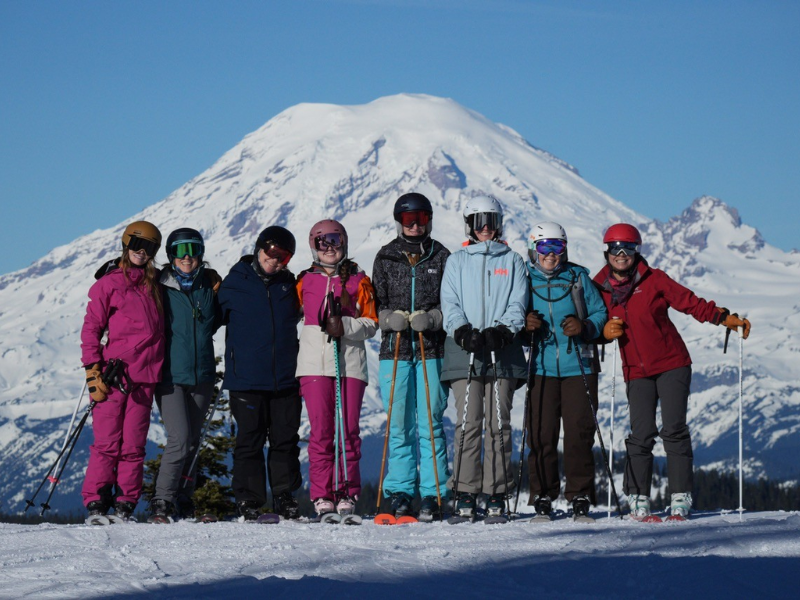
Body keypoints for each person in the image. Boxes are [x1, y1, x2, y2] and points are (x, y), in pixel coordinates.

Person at [593, 223, 751, 520]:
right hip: (635, 371)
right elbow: (592, 325)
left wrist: (723, 318)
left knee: (674, 431)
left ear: (637, 251)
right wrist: (603, 333)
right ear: (607, 251)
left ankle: (680, 497)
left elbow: (689, 303)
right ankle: (637, 498)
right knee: (641, 434)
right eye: (616, 248)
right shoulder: (597, 287)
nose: (622, 254)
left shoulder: (655, 280)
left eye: (629, 248)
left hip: (672, 364)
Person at [440, 195, 528, 520]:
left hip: (501, 349)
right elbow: (449, 301)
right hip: (466, 348)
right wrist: (461, 330)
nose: (486, 228)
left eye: (491, 220)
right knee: (469, 420)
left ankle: (497, 493)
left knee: (498, 424)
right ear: (470, 225)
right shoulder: (458, 260)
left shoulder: (513, 260)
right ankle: (464, 492)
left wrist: (505, 330)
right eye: (479, 221)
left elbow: (518, 301)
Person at [372, 193, 451, 521]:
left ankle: (434, 494)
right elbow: (376, 300)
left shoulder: (442, 255)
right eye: (408, 220)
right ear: (399, 221)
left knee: (430, 422)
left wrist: (434, 318)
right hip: (395, 350)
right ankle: (400, 491)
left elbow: (453, 303)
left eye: (421, 218)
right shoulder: (386, 256)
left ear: (430, 219)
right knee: (399, 423)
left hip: (431, 349)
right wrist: (386, 317)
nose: (416, 225)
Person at [80, 221, 165, 521]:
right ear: (126, 244)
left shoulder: (155, 285)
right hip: (113, 376)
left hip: (145, 377)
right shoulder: (109, 283)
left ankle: (126, 501)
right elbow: (91, 327)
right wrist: (92, 369)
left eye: (150, 248)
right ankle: (97, 500)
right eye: (136, 245)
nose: (142, 252)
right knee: (106, 443)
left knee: (133, 444)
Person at [523, 222, 608, 521]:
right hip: (541, 366)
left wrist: (584, 327)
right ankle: (543, 495)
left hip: (579, 366)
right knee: (541, 434)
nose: (551, 254)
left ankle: (580, 495)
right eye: (544, 247)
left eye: (557, 247)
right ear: (533, 250)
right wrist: (525, 326)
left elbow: (600, 313)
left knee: (578, 434)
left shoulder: (578, 277)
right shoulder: (524, 279)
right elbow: (511, 313)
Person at [218, 226, 303, 521]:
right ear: (258, 248)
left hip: (285, 377)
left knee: (285, 440)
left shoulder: (289, 285)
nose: (276, 260)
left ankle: (284, 496)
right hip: (247, 379)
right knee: (249, 441)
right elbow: (208, 319)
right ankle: (249, 500)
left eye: (284, 256)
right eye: (271, 252)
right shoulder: (232, 283)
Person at [296, 219, 378, 518]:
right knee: (320, 431)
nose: (329, 247)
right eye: (322, 242)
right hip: (314, 365)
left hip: (349, 364)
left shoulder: (359, 280)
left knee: (348, 431)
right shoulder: (304, 280)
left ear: (344, 242)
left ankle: (347, 491)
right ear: (313, 245)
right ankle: (322, 494)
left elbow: (371, 324)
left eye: (335, 240)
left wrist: (343, 325)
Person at [149, 228, 222, 522]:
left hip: (202, 374)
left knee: (192, 441)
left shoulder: (209, 286)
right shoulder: (159, 286)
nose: (187, 257)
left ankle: (184, 499)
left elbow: (221, 319)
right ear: (170, 255)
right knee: (180, 439)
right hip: (170, 376)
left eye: (193, 249)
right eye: (180, 250)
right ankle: (162, 501)